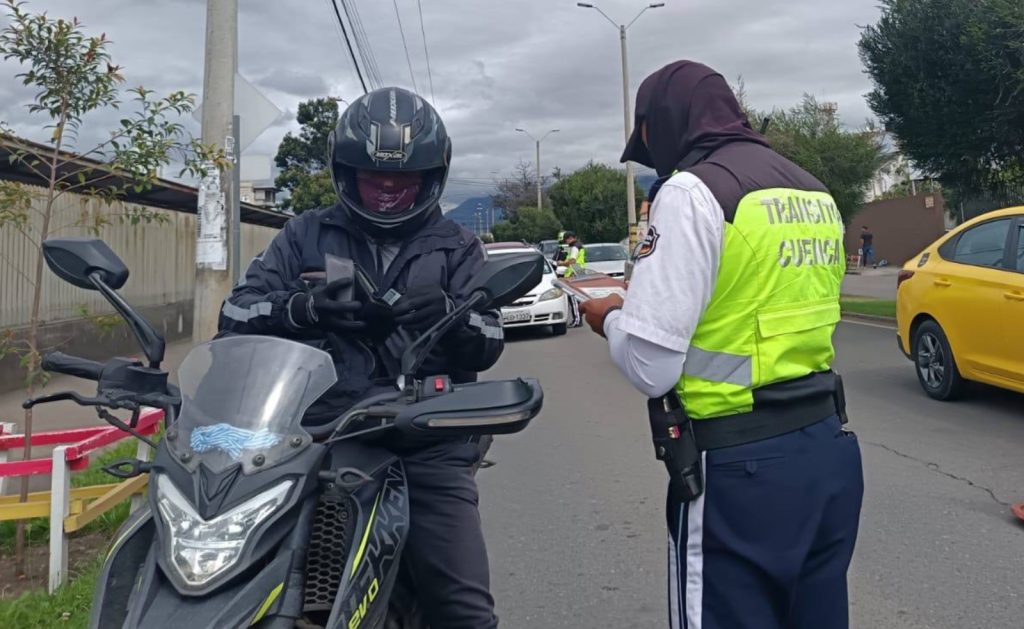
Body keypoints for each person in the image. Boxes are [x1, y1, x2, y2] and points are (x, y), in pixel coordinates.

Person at [580, 61, 864, 629]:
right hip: (827, 454)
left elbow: (651, 366)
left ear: (666, 125)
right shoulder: (815, 193)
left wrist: (611, 316)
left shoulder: (693, 193)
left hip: (739, 471)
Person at [219, 87, 503, 628]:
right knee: (251, 581)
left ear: (429, 178)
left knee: (463, 608)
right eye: (376, 180)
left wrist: (450, 312)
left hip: (427, 444)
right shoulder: (302, 234)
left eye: (403, 181)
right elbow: (235, 314)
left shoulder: (458, 245)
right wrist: (304, 309)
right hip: (315, 440)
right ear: (348, 175)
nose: (388, 192)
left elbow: (489, 341)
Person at [557, 231, 585, 327]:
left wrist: (561, 263)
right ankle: (578, 319)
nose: (566, 242)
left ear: (570, 238)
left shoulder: (574, 248)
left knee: (573, 298)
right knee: (576, 298)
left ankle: (577, 320)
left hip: (573, 273)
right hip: (579, 272)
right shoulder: (579, 246)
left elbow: (572, 261)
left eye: (566, 239)